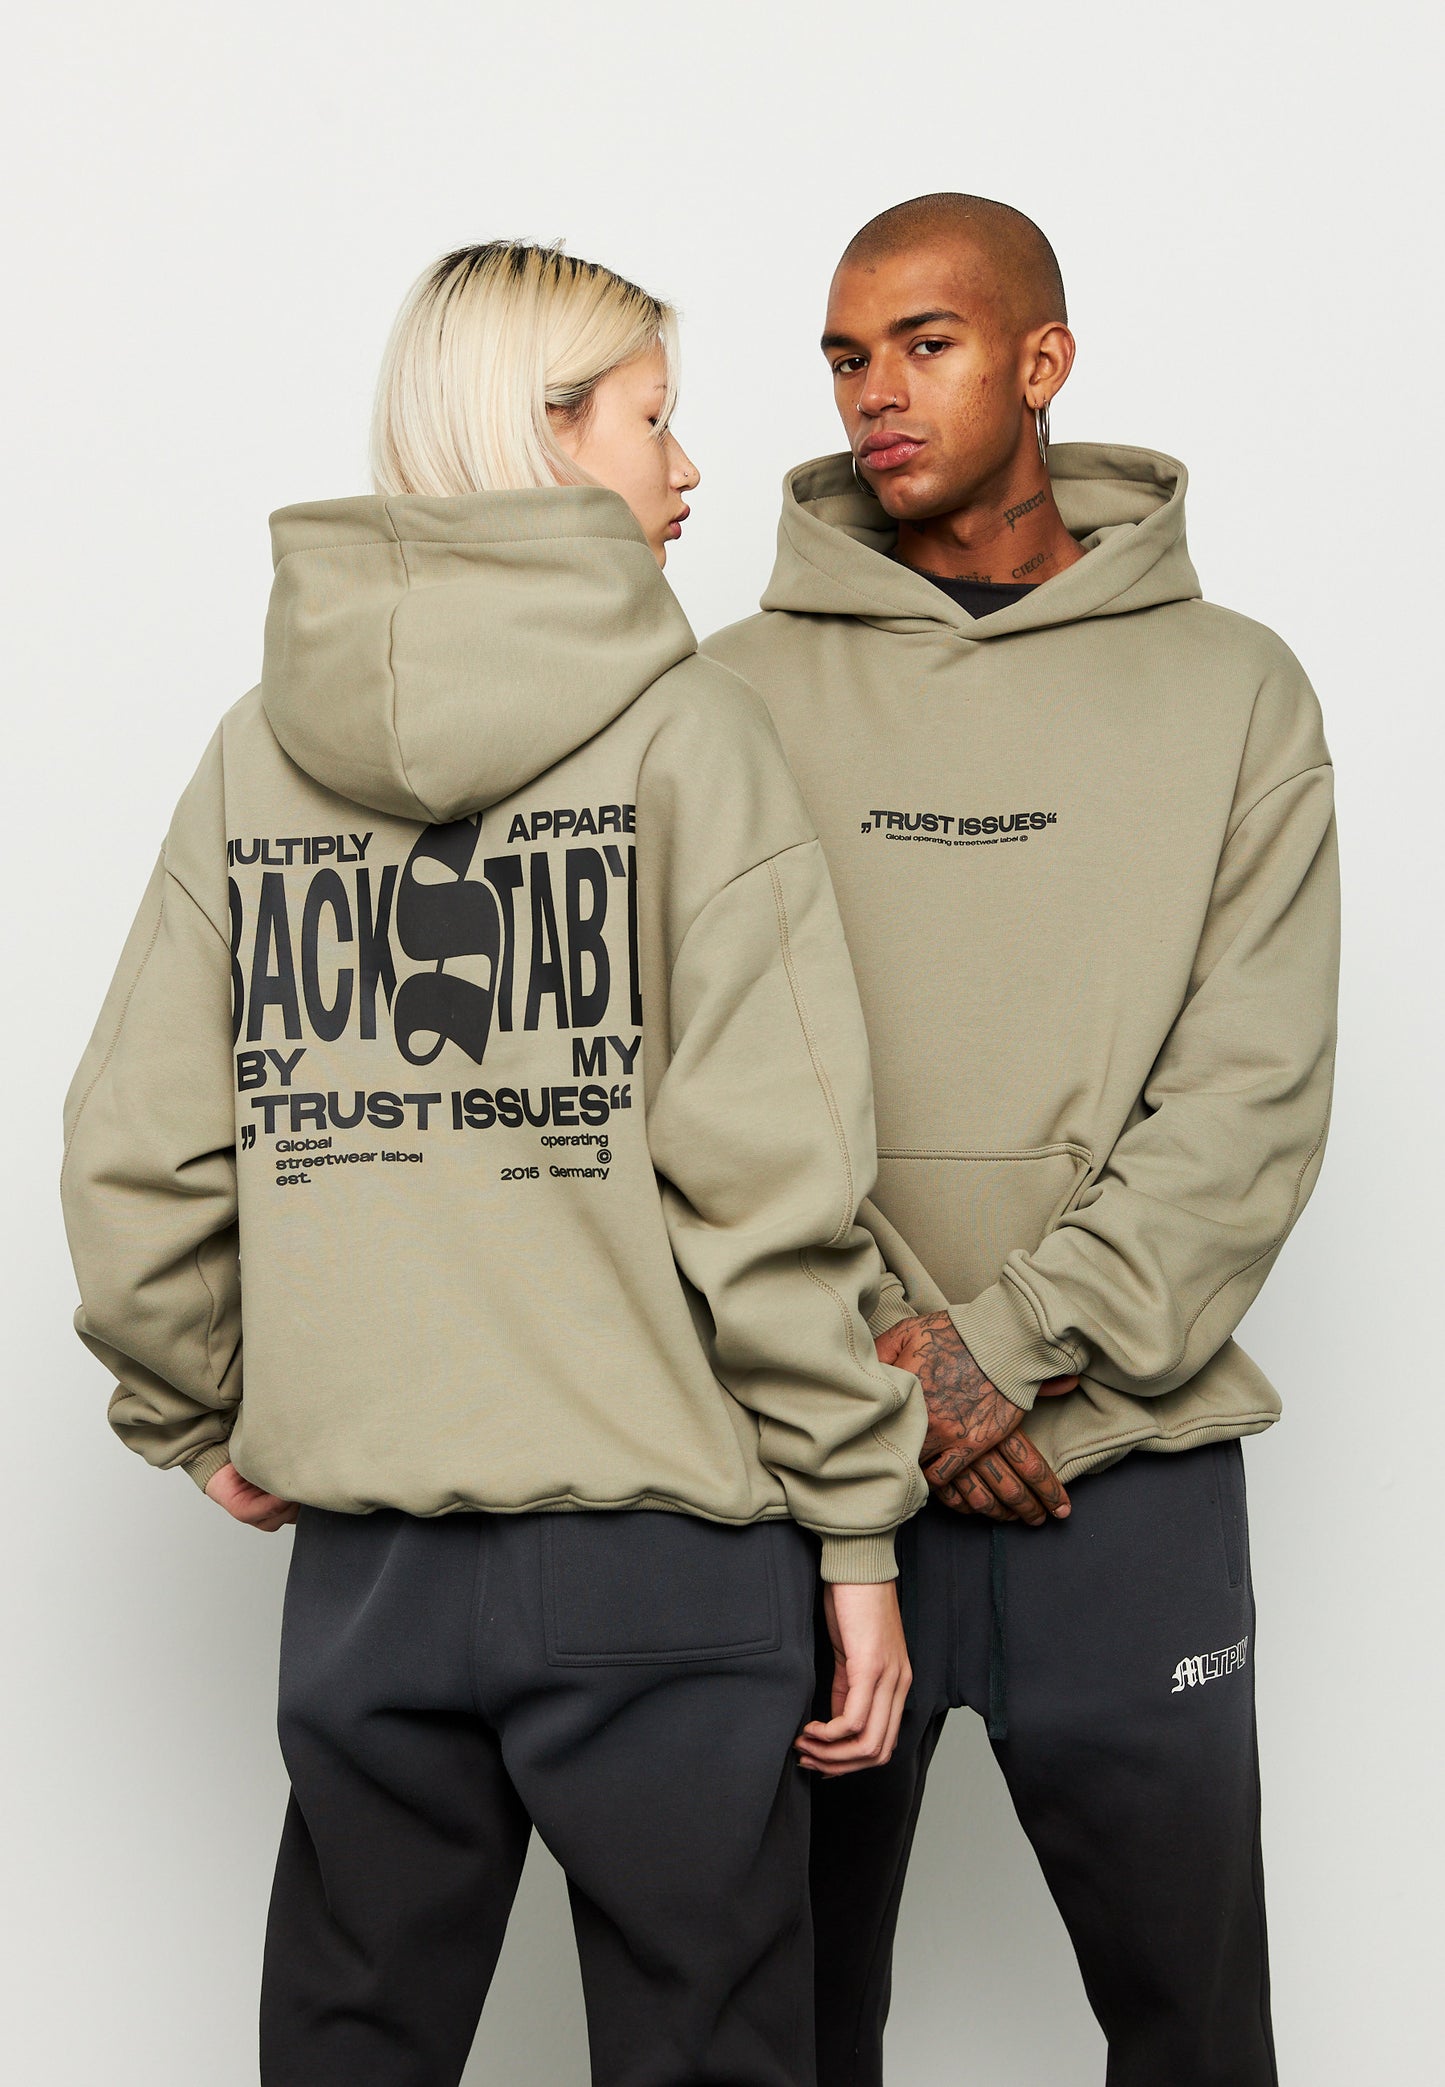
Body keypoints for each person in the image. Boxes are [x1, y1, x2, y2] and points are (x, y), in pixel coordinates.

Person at [60, 240, 927, 2087]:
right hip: (663, 1558)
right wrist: (856, 1529)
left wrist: (190, 1405)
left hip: (365, 1573)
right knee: (712, 2050)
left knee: (349, 2048)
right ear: (548, 430)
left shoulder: (257, 753)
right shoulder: (691, 735)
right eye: (652, 419)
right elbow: (769, 1188)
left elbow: (137, 1148)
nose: (687, 468)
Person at [705, 193, 1339, 2086]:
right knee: (778, 2032)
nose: (874, 393)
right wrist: (898, 1371)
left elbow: (1250, 1093)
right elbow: (711, 1092)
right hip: (817, 1469)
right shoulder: (723, 694)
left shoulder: (1234, 688)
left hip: (1127, 1467)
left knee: (1194, 2032)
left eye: (927, 343)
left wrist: (1008, 1347)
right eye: (845, 356)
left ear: (1042, 360)